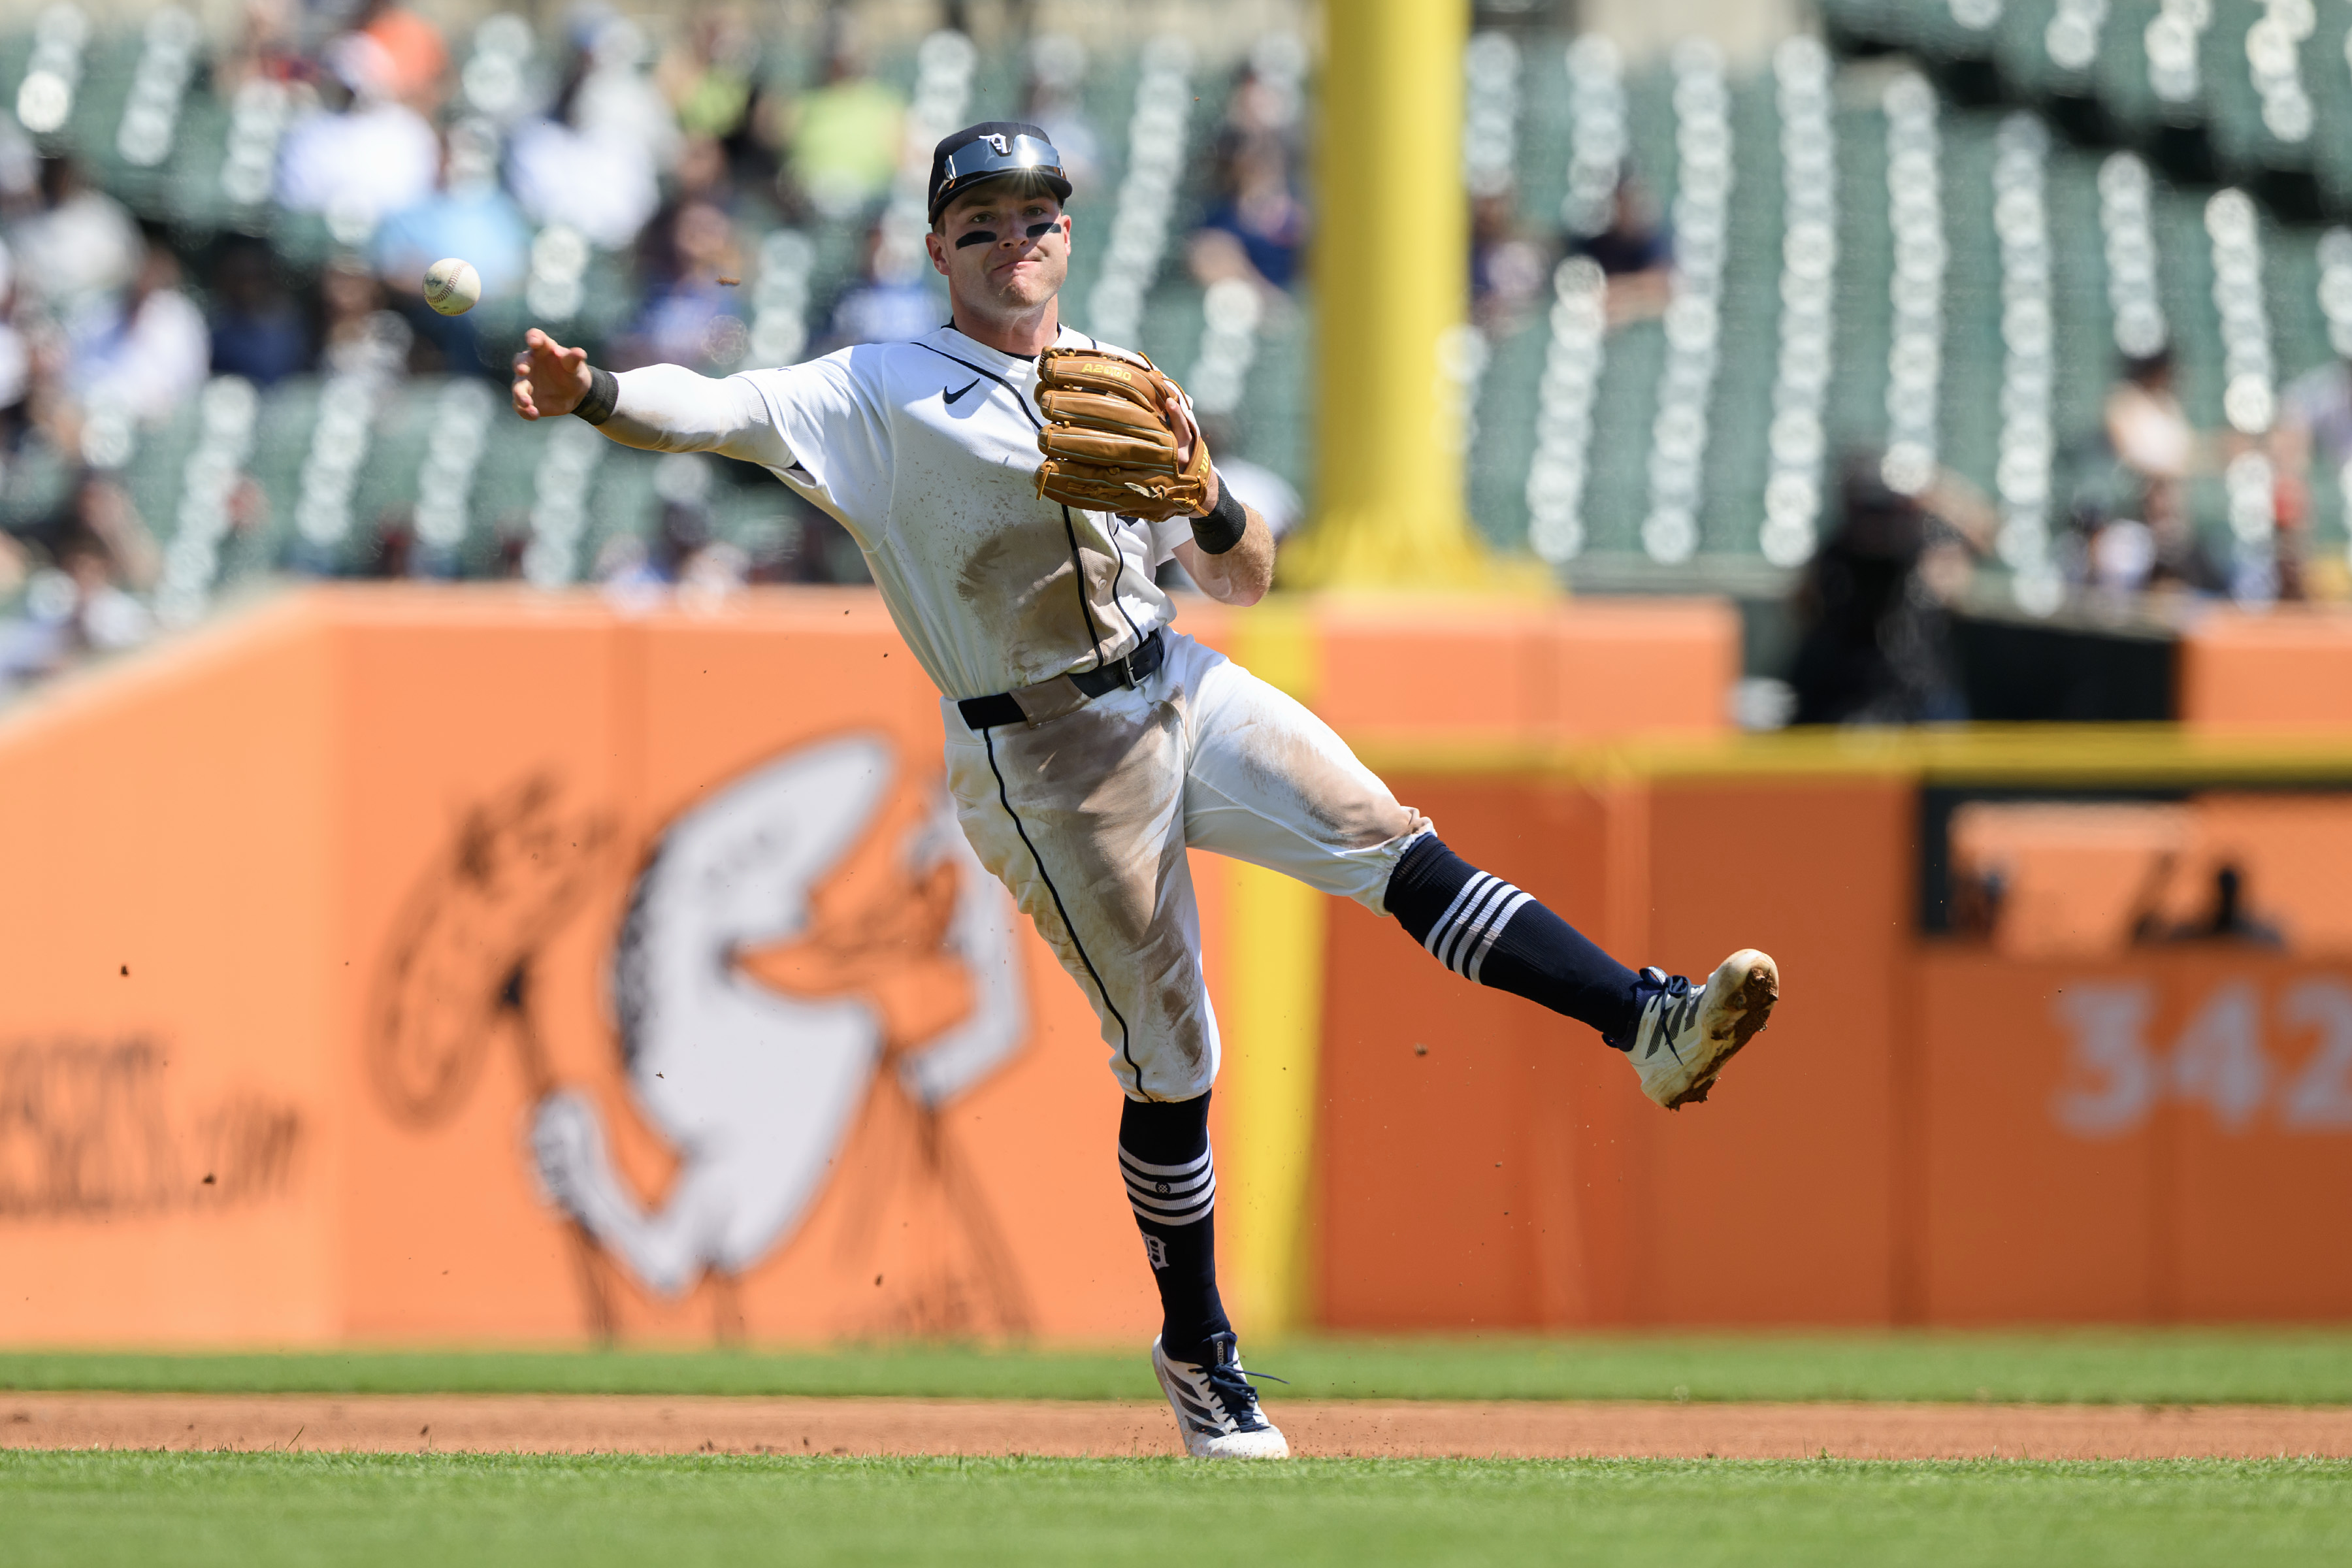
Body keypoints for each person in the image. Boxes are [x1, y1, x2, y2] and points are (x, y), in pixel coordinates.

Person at [510, 121, 1780, 1461]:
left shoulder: (1115, 380)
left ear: (1068, 233)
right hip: (1046, 758)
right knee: (1176, 1059)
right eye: (983, 222)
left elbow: (1243, 578)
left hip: (1173, 676)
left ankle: (1646, 1023)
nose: (1014, 239)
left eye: (1035, 216)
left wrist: (1206, 490)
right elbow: (720, 409)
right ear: (939, 247)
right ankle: (1199, 1353)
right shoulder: (877, 389)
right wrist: (597, 391)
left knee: (1391, 842)